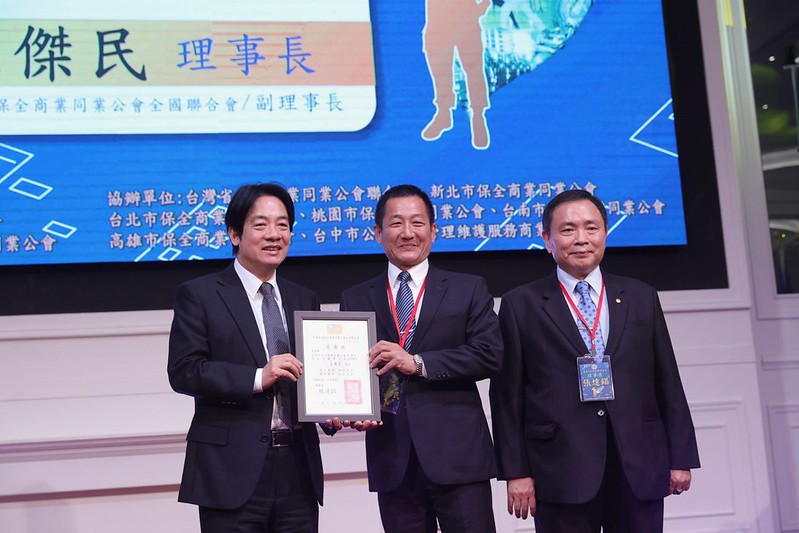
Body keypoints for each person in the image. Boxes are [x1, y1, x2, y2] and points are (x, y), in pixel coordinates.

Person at [490, 189, 700, 532]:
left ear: (605, 232)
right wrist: (516, 472)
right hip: (559, 469)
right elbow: (506, 396)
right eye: (567, 230)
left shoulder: (640, 296)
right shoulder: (521, 304)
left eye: (591, 228)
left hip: (638, 464)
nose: (581, 239)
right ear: (547, 239)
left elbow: (667, 381)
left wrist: (681, 456)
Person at [167, 183, 340, 533]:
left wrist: (329, 409)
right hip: (230, 471)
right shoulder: (200, 294)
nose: (274, 234)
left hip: (298, 469)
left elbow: (312, 373)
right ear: (235, 233)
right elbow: (185, 371)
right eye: (261, 225)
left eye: (283, 224)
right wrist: (258, 377)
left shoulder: (304, 297)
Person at [340, 184, 502, 533]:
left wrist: (418, 363)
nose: (407, 233)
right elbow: (349, 369)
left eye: (417, 222)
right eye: (396, 223)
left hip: (458, 456)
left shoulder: (468, 288)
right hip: (392, 456)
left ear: (434, 230)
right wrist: (347, 409)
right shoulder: (355, 297)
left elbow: (489, 354)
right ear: (378, 232)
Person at [421, 0, 491, 149]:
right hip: (438, 21)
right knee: (440, 71)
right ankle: (443, 114)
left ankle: (478, 116)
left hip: (466, 20)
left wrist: (484, 5)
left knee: (474, 71)